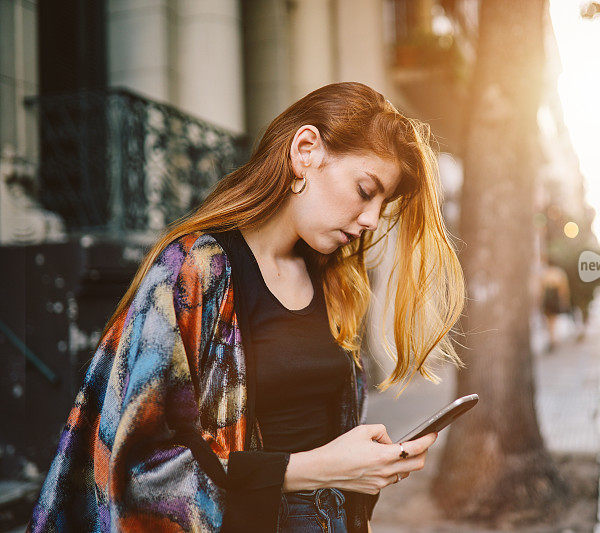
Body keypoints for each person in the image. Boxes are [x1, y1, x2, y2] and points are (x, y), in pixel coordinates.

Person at [28, 82, 465, 533]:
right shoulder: (194, 270)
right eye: (365, 190)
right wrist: (318, 468)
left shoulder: (335, 282)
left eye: (382, 203)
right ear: (306, 150)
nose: (372, 219)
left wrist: (365, 469)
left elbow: (326, 434)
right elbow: (137, 467)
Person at [541, 262, 570, 353]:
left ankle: (552, 339)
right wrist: (564, 300)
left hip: (549, 299)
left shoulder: (545, 273)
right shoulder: (559, 273)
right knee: (552, 321)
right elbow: (563, 289)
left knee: (550, 321)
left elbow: (541, 288)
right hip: (553, 299)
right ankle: (552, 339)